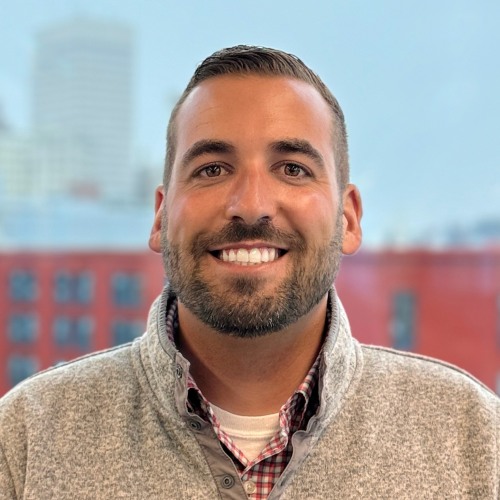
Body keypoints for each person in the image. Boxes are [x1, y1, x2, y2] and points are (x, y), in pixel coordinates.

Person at [0, 46, 498, 499]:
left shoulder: (473, 437)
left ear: (348, 219)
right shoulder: (24, 438)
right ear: (160, 215)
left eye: (293, 168)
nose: (251, 206)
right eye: (212, 168)